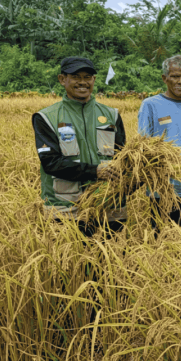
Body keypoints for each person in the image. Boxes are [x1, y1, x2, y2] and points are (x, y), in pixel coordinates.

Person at [32, 56, 126, 236]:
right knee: (69, 263)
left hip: (108, 207)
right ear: (62, 79)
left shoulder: (111, 115)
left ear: (94, 80)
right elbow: (50, 162)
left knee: (112, 261)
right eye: (76, 77)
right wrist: (95, 171)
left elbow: (123, 158)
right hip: (66, 209)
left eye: (87, 77)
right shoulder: (46, 117)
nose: (82, 82)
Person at [138, 55, 181, 234]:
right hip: (163, 190)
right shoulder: (150, 105)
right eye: (175, 76)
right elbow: (143, 146)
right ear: (165, 78)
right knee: (164, 242)